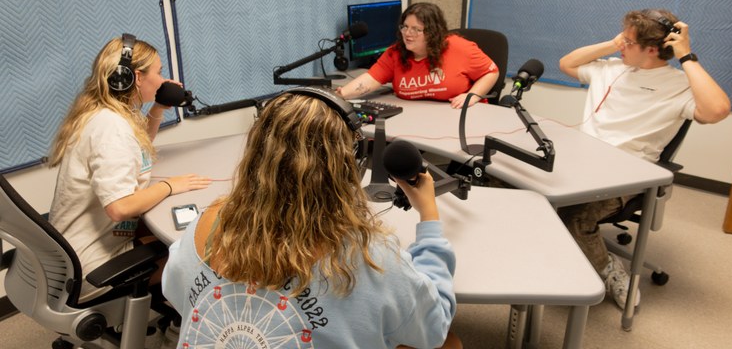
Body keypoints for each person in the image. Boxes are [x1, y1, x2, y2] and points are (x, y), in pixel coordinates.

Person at [162, 89, 462, 349]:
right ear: (351, 168)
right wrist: (429, 218)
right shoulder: (369, 257)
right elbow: (434, 327)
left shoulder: (207, 224)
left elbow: (175, 290)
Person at [558, 9, 731, 309]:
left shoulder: (679, 86)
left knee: (576, 216)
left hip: (625, 177)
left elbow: (717, 110)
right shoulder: (610, 69)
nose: (620, 45)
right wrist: (615, 44)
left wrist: (687, 57)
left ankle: (609, 269)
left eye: (628, 41)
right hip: (578, 163)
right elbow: (566, 63)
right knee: (520, 187)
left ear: (651, 50)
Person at [48, 35, 212, 301]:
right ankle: (174, 333)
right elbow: (120, 207)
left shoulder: (107, 113)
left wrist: (158, 107)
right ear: (135, 77)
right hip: (92, 266)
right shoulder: (111, 128)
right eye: (158, 73)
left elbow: (138, 144)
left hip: (70, 254)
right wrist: (169, 186)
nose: (163, 80)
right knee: (199, 255)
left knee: (163, 232)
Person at [336, 2, 499, 108]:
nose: (408, 33)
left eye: (416, 29)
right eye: (405, 27)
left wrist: (473, 96)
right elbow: (369, 81)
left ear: (433, 32)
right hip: (416, 120)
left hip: (458, 116)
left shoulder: (459, 48)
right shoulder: (395, 53)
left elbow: (492, 72)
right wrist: (339, 95)